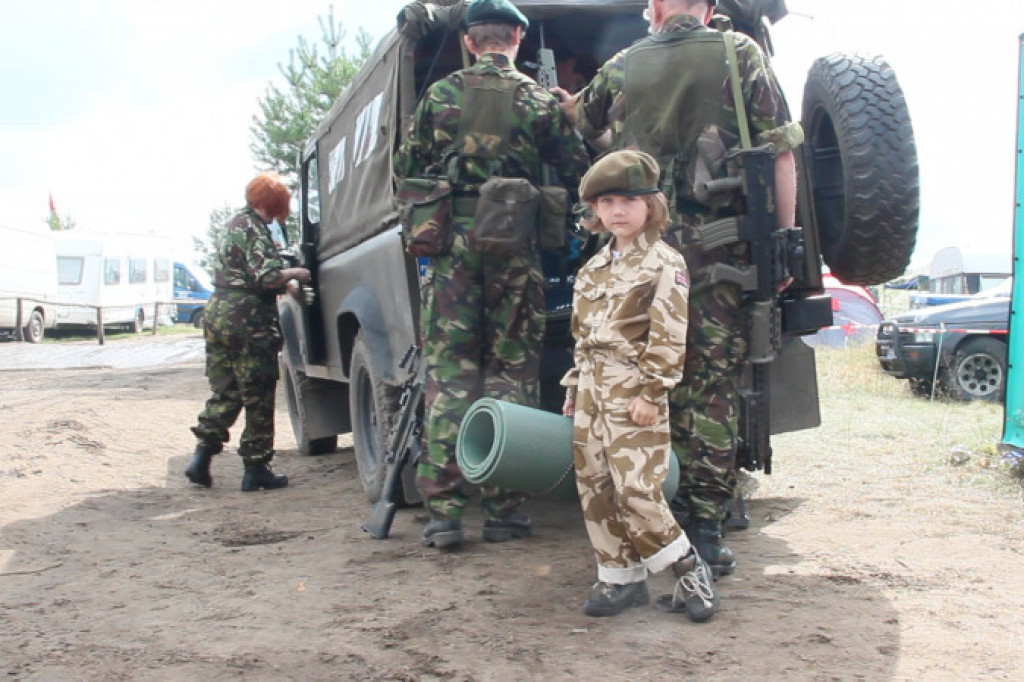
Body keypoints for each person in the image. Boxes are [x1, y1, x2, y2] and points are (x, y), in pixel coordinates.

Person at [555, 0, 803, 576]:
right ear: (709, 7)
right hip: (718, 254)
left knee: (633, 384)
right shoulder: (740, 53)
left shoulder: (621, 65)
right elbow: (782, 150)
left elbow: (580, 124)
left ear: (658, 7)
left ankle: (646, 525)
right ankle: (707, 532)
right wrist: (784, 239)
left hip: (636, 258)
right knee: (710, 389)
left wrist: (564, 97)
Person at [393, 0, 590, 549]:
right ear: (518, 38)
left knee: (450, 375)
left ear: (470, 41)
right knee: (511, 375)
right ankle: (505, 510)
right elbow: (578, 169)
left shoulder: (440, 95)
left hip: (453, 252)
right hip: (514, 249)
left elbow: (406, 170)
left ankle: (445, 514)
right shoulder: (535, 98)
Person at [561, 149, 718, 622]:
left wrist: (653, 393)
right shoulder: (591, 270)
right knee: (596, 487)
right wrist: (573, 389)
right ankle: (620, 580)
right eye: (606, 202)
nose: (617, 211)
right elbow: (582, 336)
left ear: (652, 204)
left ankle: (689, 569)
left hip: (634, 390)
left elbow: (670, 333)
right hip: (591, 390)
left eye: (629, 199)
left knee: (637, 490)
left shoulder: (663, 263)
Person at [184, 172, 311, 493]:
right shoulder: (254, 228)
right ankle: (256, 468)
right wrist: (296, 273)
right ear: (275, 204)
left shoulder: (234, 224)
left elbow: (246, 272)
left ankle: (201, 459)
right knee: (258, 391)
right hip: (248, 319)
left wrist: (286, 285)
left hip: (218, 312)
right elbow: (266, 276)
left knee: (226, 389)